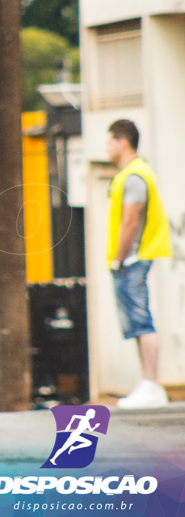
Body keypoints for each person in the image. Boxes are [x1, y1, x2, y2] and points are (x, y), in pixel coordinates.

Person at [105, 119, 171, 409]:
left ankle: (152, 385)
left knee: (141, 321)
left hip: (133, 259)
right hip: (132, 259)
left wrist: (120, 259)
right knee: (136, 322)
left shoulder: (134, 175)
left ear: (122, 142)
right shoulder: (131, 174)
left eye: (108, 141)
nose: (106, 148)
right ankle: (148, 384)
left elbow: (131, 221)